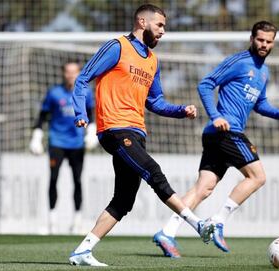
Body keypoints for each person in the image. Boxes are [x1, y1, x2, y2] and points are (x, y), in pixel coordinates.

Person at [68, 4, 215, 267]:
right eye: (159, 25)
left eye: (164, 27)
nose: (163, 31)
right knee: (153, 171)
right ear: (142, 21)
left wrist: (181, 111)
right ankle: (197, 224)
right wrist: (81, 112)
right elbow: (82, 79)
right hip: (114, 129)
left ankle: (83, 251)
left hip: (137, 132)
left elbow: (156, 101)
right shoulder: (117, 46)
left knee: (124, 201)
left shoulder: (152, 60)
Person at [153, 21, 279, 258]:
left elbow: (260, 104)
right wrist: (216, 115)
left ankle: (167, 232)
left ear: (273, 43)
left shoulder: (264, 71)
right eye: (260, 39)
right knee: (258, 176)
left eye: (269, 41)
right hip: (225, 131)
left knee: (204, 188)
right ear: (252, 39)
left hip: (218, 135)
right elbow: (206, 83)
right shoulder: (240, 61)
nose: (264, 44)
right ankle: (218, 221)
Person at [29, 62, 97, 234]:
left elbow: (92, 115)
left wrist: (91, 132)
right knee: (53, 179)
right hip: (57, 142)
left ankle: (77, 222)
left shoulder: (85, 93)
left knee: (77, 180)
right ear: (63, 73)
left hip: (76, 144)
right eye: (68, 72)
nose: (70, 75)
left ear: (79, 73)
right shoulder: (54, 93)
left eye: (74, 72)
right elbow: (42, 116)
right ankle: (52, 221)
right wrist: (36, 137)